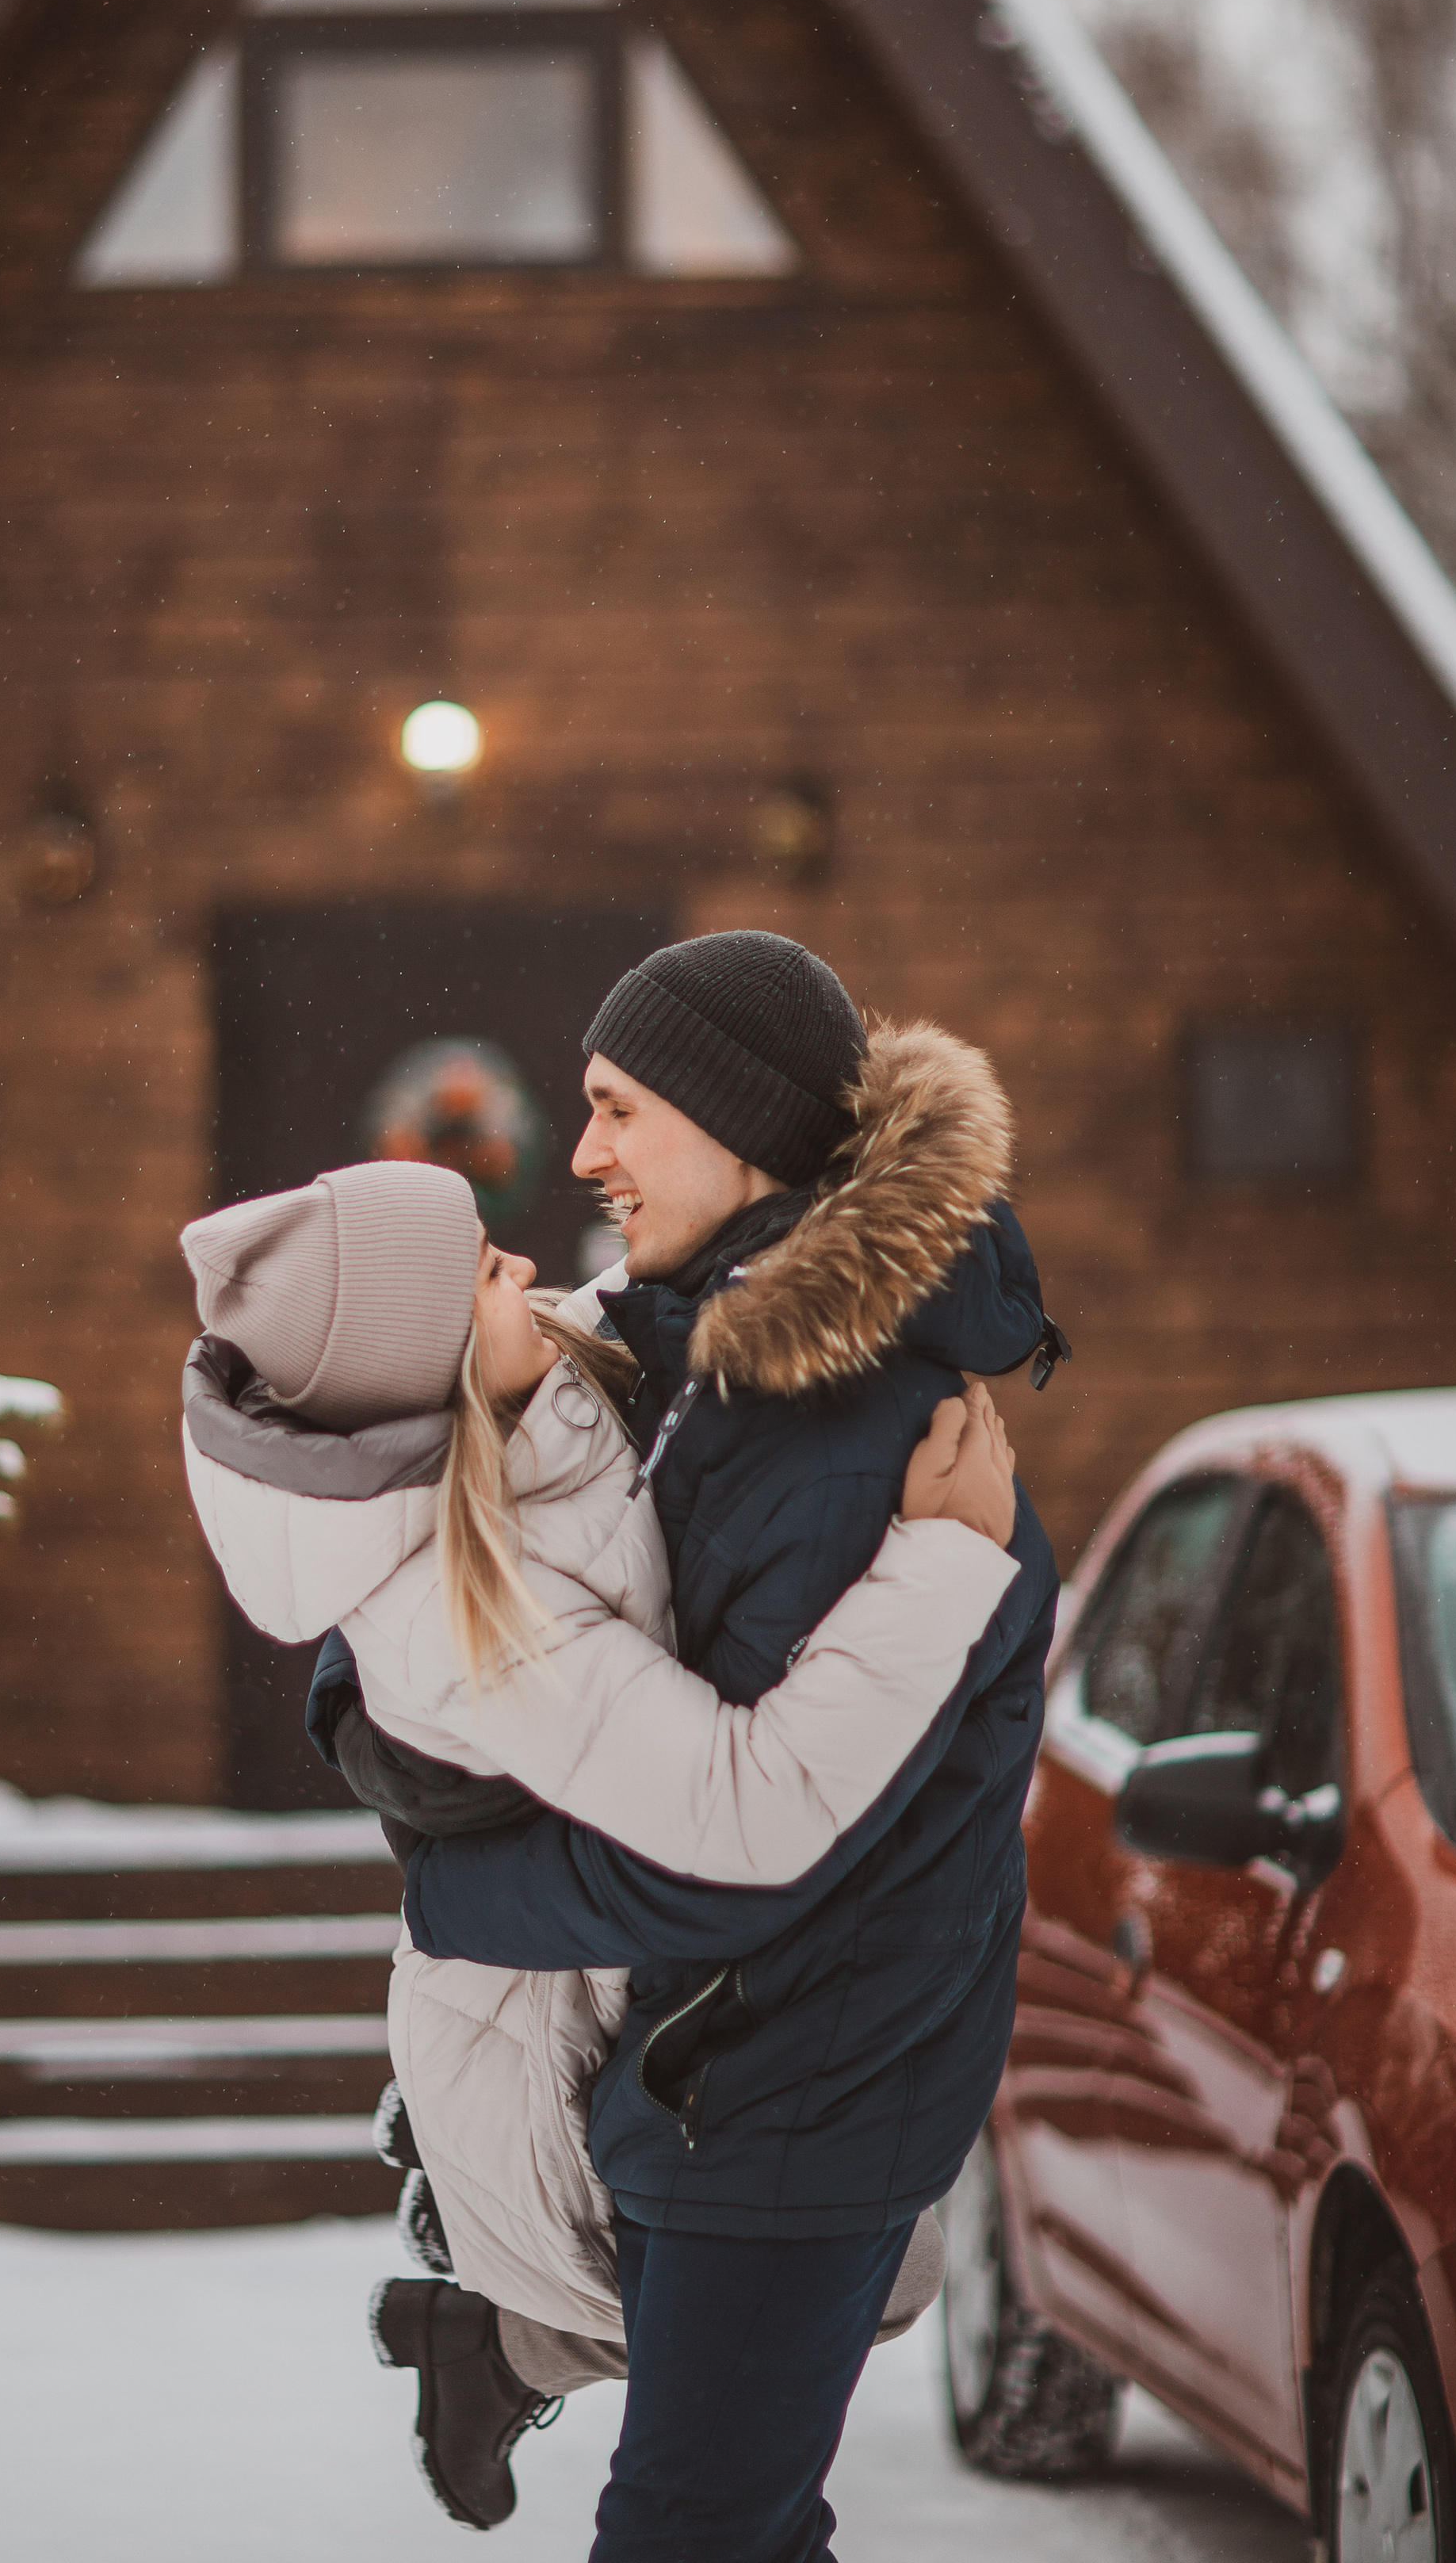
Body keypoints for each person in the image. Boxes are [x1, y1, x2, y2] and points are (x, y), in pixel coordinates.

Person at [178, 1153, 1024, 2527]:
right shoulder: (468, 1619)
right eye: (481, 1270)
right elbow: (746, 1810)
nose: (525, 1264)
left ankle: (497, 2339)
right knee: (816, 2319)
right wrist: (944, 1555)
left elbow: (657, 1292)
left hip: (598, 1954)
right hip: (560, 2008)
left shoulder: (513, 1384)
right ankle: (497, 2332)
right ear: (437, 1362)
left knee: (849, 2290)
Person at [383, 932, 1064, 2563]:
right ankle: (505, 2341)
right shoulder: (698, 1353)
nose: (586, 1153)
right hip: (718, 2068)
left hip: (792, 2084)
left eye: (618, 1109)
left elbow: (736, 1855)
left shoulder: (835, 1429)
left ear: (734, 1121)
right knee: (738, 2524)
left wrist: (452, 1894)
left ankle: (505, 2343)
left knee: (692, 2531)